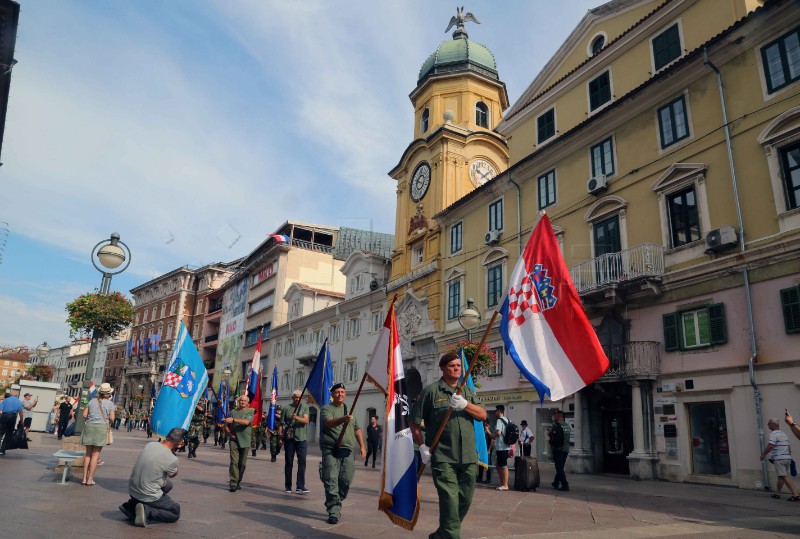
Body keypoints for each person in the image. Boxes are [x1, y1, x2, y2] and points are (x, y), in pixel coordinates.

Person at [409, 351, 487, 539]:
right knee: (450, 500)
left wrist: (465, 405)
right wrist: (422, 446)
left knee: (465, 500)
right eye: (452, 365)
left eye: (458, 366)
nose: (456, 368)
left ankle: (442, 534)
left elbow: (482, 415)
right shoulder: (431, 391)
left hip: (468, 456)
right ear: (442, 368)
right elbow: (414, 422)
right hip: (443, 456)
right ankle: (451, 536)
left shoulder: (467, 391)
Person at [319, 382, 367, 525]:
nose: (340, 394)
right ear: (332, 395)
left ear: (345, 394)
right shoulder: (326, 409)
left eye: (342, 392)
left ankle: (336, 501)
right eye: (337, 392)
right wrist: (343, 419)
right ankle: (334, 510)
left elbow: (357, 429)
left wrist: (362, 447)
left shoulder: (350, 411)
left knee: (345, 480)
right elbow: (329, 423)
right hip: (331, 450)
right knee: (331, 480)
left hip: (348, 451)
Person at [119, 427, 186, 527]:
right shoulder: (172, 459)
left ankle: (131, 506)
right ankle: (147, 511)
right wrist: (174, 453)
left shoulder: (150, 445)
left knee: (168, 485)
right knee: (175, 511)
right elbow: (173, 474)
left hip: (133, 490)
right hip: (149, 494)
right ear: (180, 443)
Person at [80, 383, 116, 486]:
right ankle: (90, 479)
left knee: (88, 453)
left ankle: (83, 478)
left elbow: (84, 415)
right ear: (109, 393)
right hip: (101, 428)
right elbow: (112, 419)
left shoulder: (92, 401)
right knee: (95, 454)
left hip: (89, 426)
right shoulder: (110, 404)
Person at [760, 417, 800, 501]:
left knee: (784, 476)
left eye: (769, 423)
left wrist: (763, 454)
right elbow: (789, 447)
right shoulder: (784, 434)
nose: (767, 425)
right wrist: (789, 457)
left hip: (779, 459)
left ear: (773, 424)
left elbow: (771, 445)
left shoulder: (773, 434)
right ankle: (777, 493)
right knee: (781, 476)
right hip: (787, 458)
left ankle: (795, 494)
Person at [224, 394, 254, 492]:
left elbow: (246, 422)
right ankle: (233, 482)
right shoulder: (233, 412)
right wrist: (229, 434)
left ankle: (238, 480)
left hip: (245, 440)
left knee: (242, 464)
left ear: (247, 403)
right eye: (241, 401)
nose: (242, 402)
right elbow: (226, 425)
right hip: (234, 440)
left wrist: (233, 420)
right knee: (234, 462)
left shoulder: (250, 411)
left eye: (244, 401)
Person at [284, 389, 310, 494]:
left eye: (299, 397)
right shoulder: (286, 408)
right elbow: (281, 423)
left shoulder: (304, 407)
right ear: (292, 398)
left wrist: (296, 417)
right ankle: (288, 486)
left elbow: (306, 420)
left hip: (301, 438)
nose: (297, 399)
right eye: (295, 397)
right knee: (289, 462)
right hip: (289, 439)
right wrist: (281, 437)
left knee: (302, 462)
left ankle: (300, 486)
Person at [549, 409, 571, 492]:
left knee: (559, 468)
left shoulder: (556, 425)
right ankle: (555, 482)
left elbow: (554, 437)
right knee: (560, 467)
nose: (554, 416)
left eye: (556, 415)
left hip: (558, 449)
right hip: (566, 449)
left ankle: (565, 485)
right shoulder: (567, 425)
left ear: (560, 416)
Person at [0, 390, 24, 455]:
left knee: (1, 432)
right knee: (8, 433)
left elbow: (0, 409)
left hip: (4, 416)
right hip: (12, 417)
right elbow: (20, 412)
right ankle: (2, 450)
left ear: (10, 394)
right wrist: (21, 420)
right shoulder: (18, 401)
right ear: (16, 395)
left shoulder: (5, 400)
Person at [493, 404, 511, 491]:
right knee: (498, 464)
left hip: (501, 446)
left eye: (496, 411)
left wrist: (493, 435)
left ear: (500, 411)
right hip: (506, 446)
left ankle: (505, 485)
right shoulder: (507, 420)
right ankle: (502, 483)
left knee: (503, 466)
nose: (495, 412)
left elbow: (498, 433)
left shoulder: (499, 421)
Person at [477, 419, 494, 484]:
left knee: (488, 463)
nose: (483, 425)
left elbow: (492, 440)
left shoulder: (490, 429)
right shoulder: (483, 429)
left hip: (488, 449)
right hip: (482, 448)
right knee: (481, 462)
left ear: (487, 423)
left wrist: (489, 450)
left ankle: (488, 478)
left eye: (484, 423)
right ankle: (480, 477)